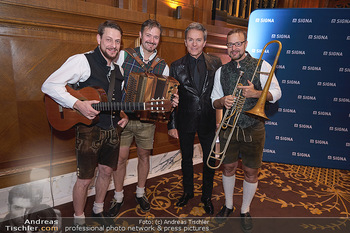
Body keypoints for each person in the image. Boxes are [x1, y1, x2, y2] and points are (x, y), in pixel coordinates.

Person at [41, 20, 128, 225]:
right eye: (108, 39)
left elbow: (114, 102)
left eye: (117, 41)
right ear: (98, 39)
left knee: (106, 171)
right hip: (88, 132)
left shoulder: (118, 71)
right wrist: (78, 105)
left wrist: (123, 115)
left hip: (112, 130)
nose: (113, 45)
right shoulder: (82, 61)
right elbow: (49, 85)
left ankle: (98, 210)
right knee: (85, 179)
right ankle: (78, 220)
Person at [211, 28, 282, 230]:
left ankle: (245, 209)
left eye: (238, 43)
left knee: (251, 172)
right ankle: (228, 205)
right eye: (230, 44)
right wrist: (223, 100)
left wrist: (255, 93)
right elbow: (213, 101)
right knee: (228, 168)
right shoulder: (221, 71)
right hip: (229, 127)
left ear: (245, 43)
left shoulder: (262, 65)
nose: (234, 48)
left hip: (253, 127)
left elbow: (277, 93)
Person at [108, 19, 178, 216]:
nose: (152, 40)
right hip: (123, 118)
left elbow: (165, 97)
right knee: (120, 158)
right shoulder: (124, 55)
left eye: (156, 37)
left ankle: (140, 192)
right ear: (140, 35)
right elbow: (112, 83)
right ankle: (118, 195)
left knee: (144, 156)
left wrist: (172, 100)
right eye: (148, 35)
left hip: (148, 120)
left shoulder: (163, 65)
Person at [167, 22, 222, 215]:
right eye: (190, 39)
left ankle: (206, 196)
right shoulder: (175, 66)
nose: (194, 44)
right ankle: (188, 192)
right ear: (185, 42)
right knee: (186, 159)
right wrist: (172, 124)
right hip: (185, 119)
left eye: (198, 40)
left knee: (209, 159)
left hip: (208, 119)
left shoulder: (216, 63)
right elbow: (172, 99)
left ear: (204, 42)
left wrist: (220, 119)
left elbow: (219, 93)